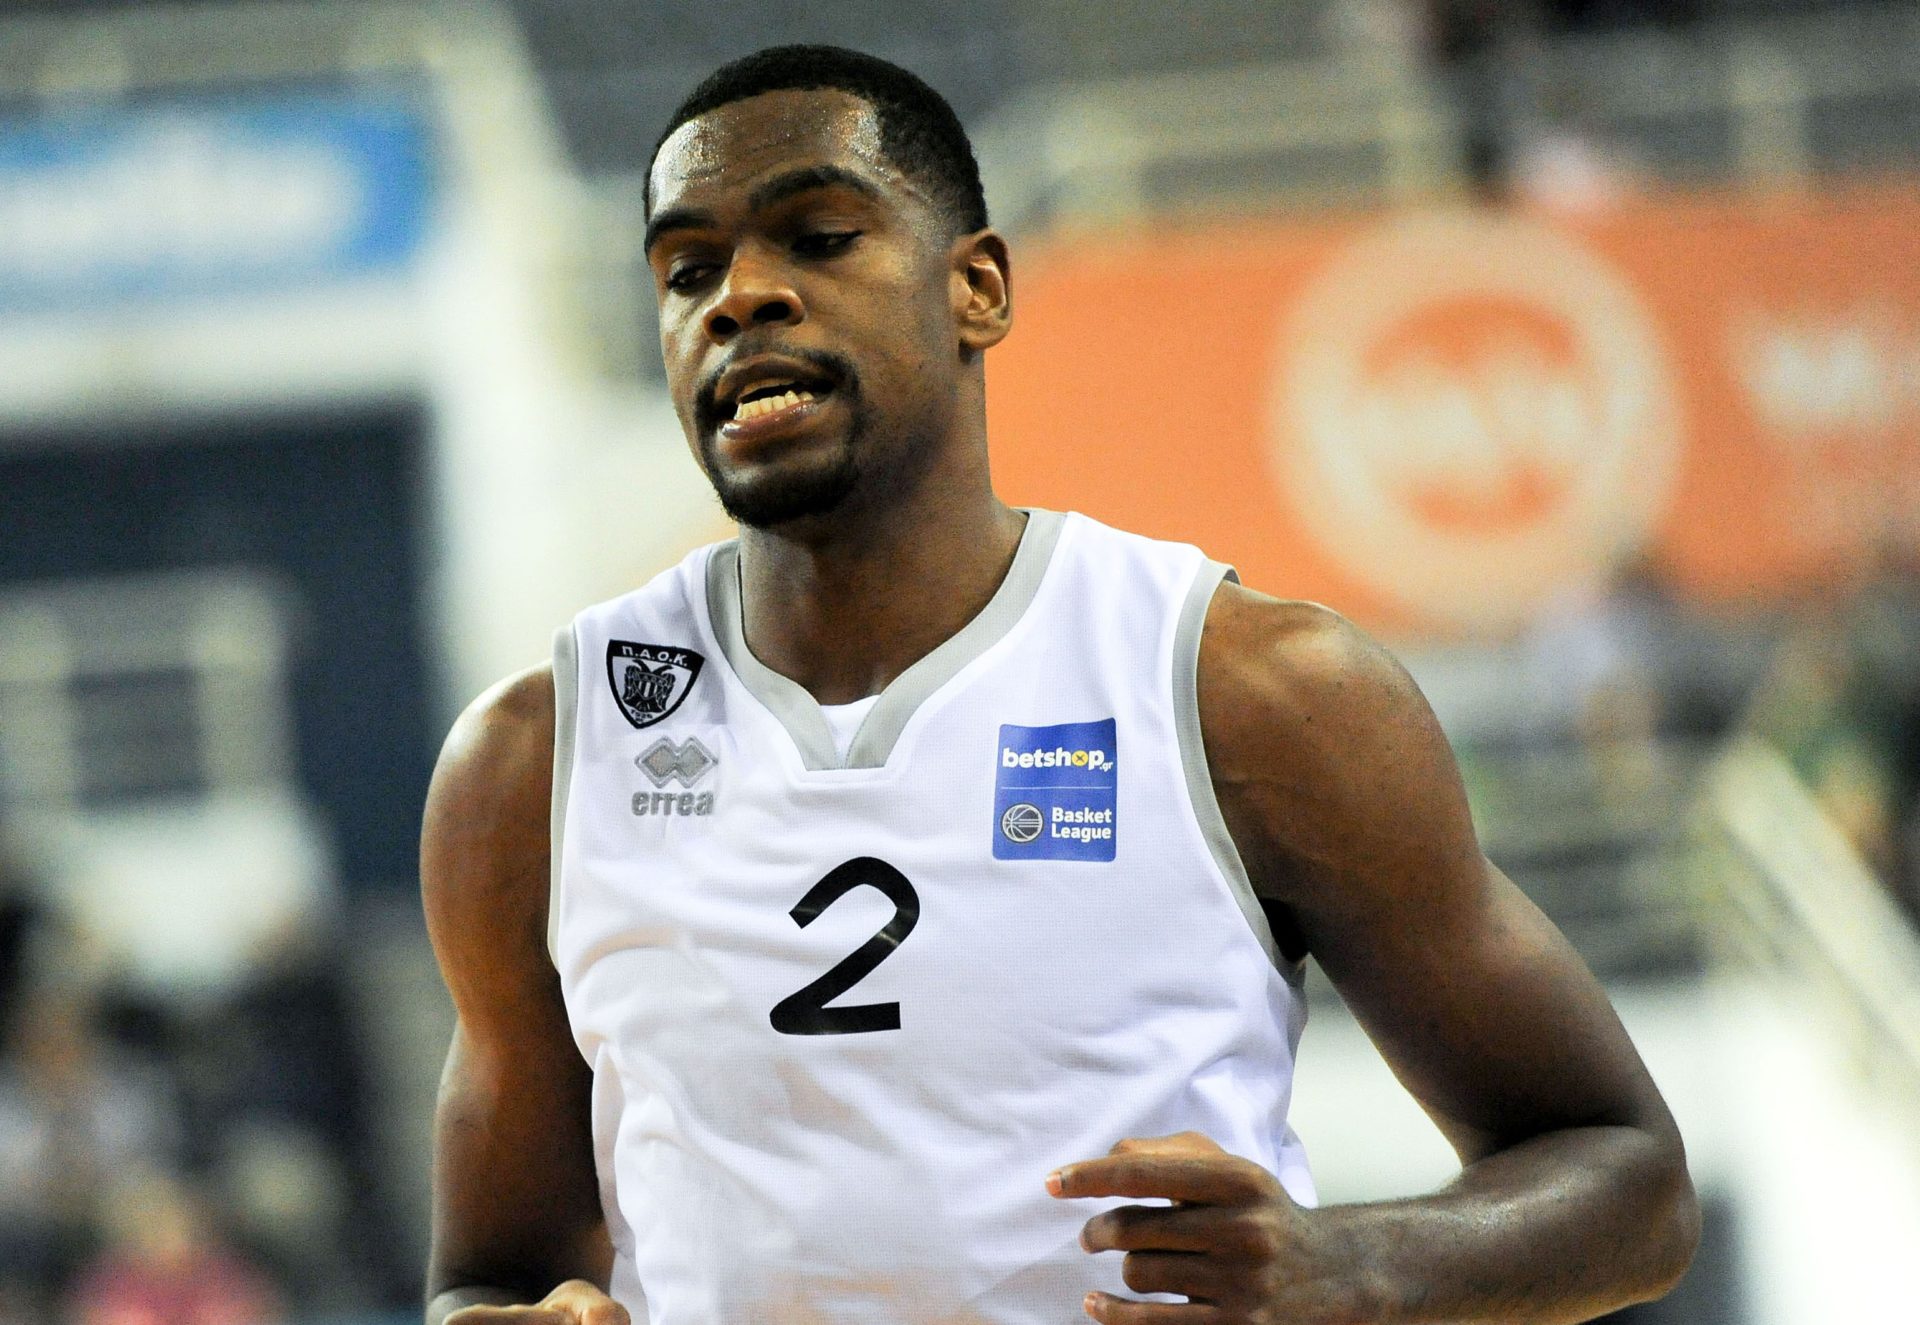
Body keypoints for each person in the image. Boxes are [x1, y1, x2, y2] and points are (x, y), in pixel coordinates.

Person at [420, 45, 1698, 1325]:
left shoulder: (1250, 692)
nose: (740, 296)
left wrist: (1352, 1265)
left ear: (976, 289)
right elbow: (488, 1273)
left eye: (818, 238)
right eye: (688, 270)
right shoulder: (536, 759)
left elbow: (1629, 1179)